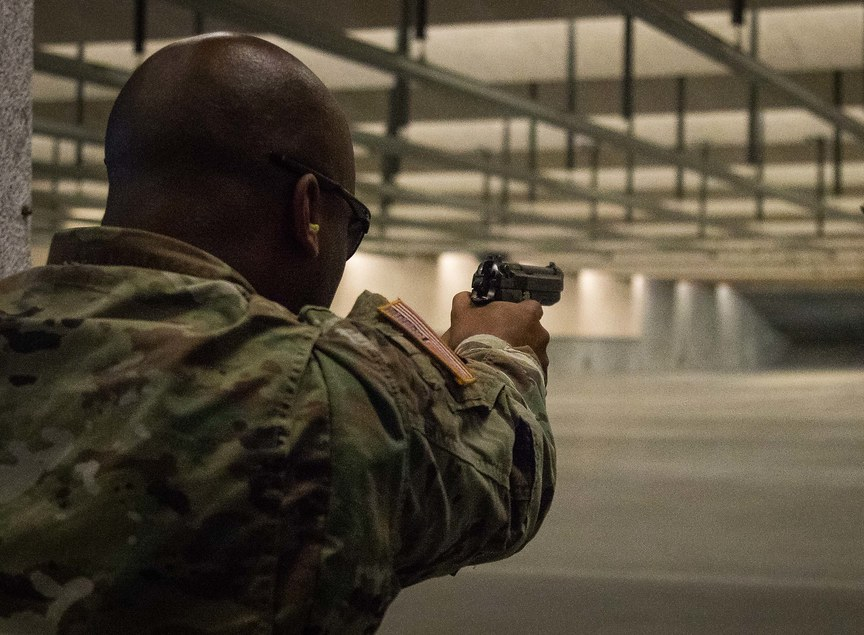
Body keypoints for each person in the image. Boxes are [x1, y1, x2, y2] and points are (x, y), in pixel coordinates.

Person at [0, 33, 554, 634]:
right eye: (354, 225)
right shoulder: (316, 402)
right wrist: (498, 355)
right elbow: (502, 481)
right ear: (308, 209)